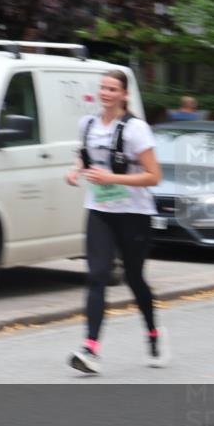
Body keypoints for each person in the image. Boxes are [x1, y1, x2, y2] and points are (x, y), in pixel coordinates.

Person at [65, 70, 166, 374]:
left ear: (124, 95)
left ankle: (153, 334)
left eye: (112, 89)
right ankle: (90, 349)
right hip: (99, 210)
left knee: (135, 278)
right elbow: (86, 157)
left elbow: (154, 176)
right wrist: (75, 171)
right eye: (103, 88)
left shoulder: (137, 130)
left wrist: (112, 178)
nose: (106, 93)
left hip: (134, 214)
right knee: (97, 275)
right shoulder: (88, 124)